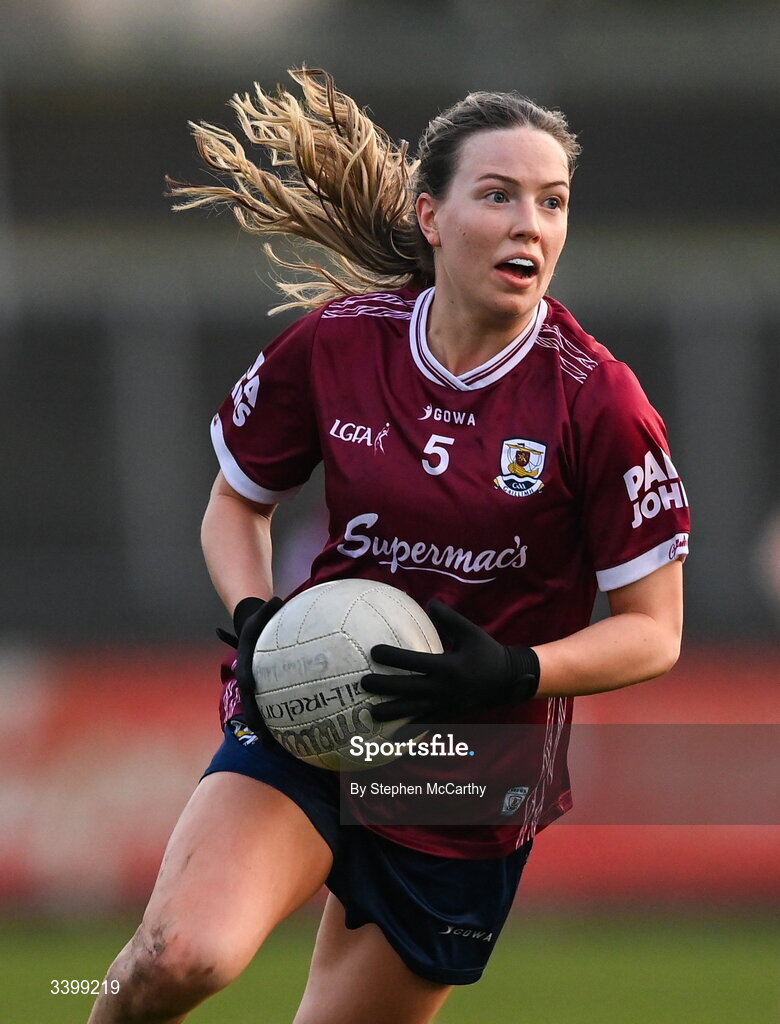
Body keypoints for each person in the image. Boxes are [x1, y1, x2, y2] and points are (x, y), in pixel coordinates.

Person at [88, 67, 689, 1023]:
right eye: (497, 195)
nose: (530, 223)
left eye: (553, 201)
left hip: (467, 765)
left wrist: (510, 671)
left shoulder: (599, 402)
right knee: (177, 958)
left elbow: (655, 633)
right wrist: (254, 619)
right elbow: (234, 506)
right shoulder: (340, 344)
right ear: (433, 216)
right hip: (315, 710)